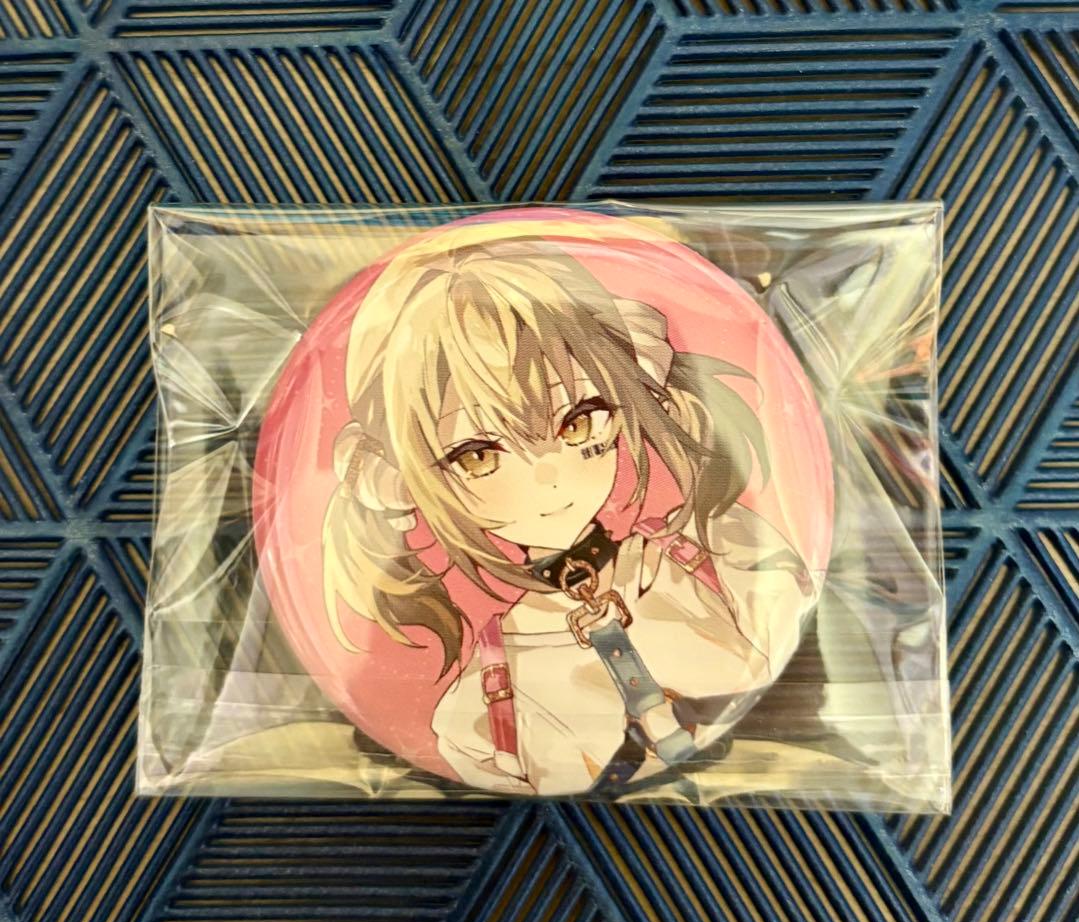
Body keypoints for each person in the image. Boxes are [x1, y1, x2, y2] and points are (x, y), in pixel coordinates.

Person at [322, 229, 819, 796]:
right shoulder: (479, 711)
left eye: (577, 421)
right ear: (399, 479)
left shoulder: (725, 553)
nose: (547, 474)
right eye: (478, 455)